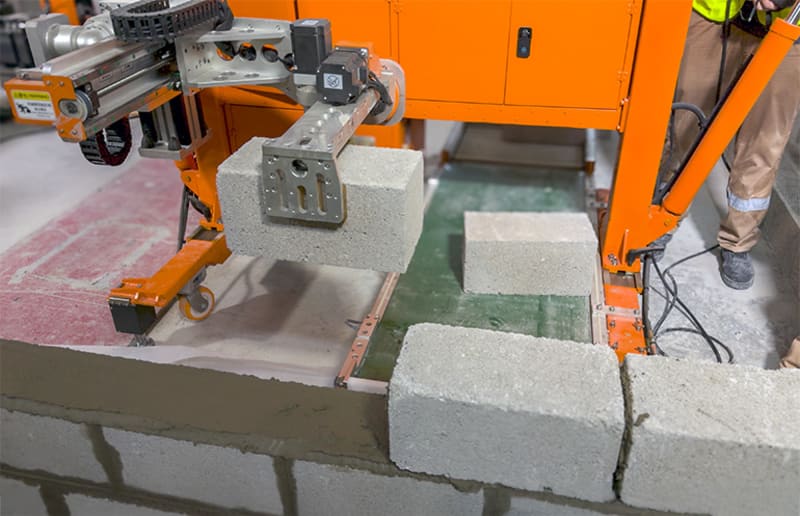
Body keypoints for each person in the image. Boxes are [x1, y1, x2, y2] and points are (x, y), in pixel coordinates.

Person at [665, 0, 800, 290]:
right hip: (713, 15)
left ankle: (738, 241)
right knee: (687, 122)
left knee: (763, 142)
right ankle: (662, 216)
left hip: (790, 28)